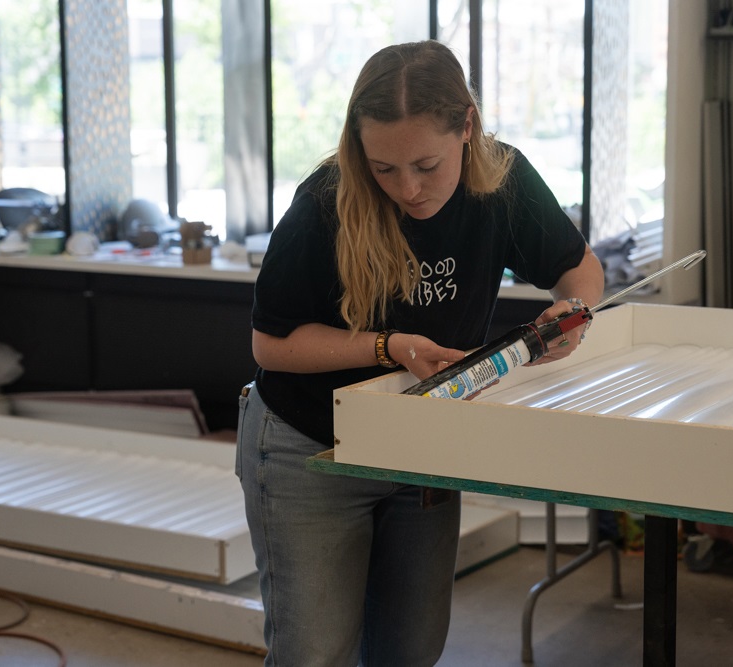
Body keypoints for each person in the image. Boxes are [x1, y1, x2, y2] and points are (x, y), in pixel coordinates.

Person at [237, 40, 604, 666]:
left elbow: (579, 271)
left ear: (467, 126)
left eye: (426, 165)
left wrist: (573, 317)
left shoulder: (503, 182)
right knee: (315, 654)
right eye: (383, 168)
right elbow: (270, 345)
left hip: (421, 451)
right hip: (308, 449)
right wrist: (389, 347)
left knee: (410, 652)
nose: (407, 189)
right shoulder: (325, 202)